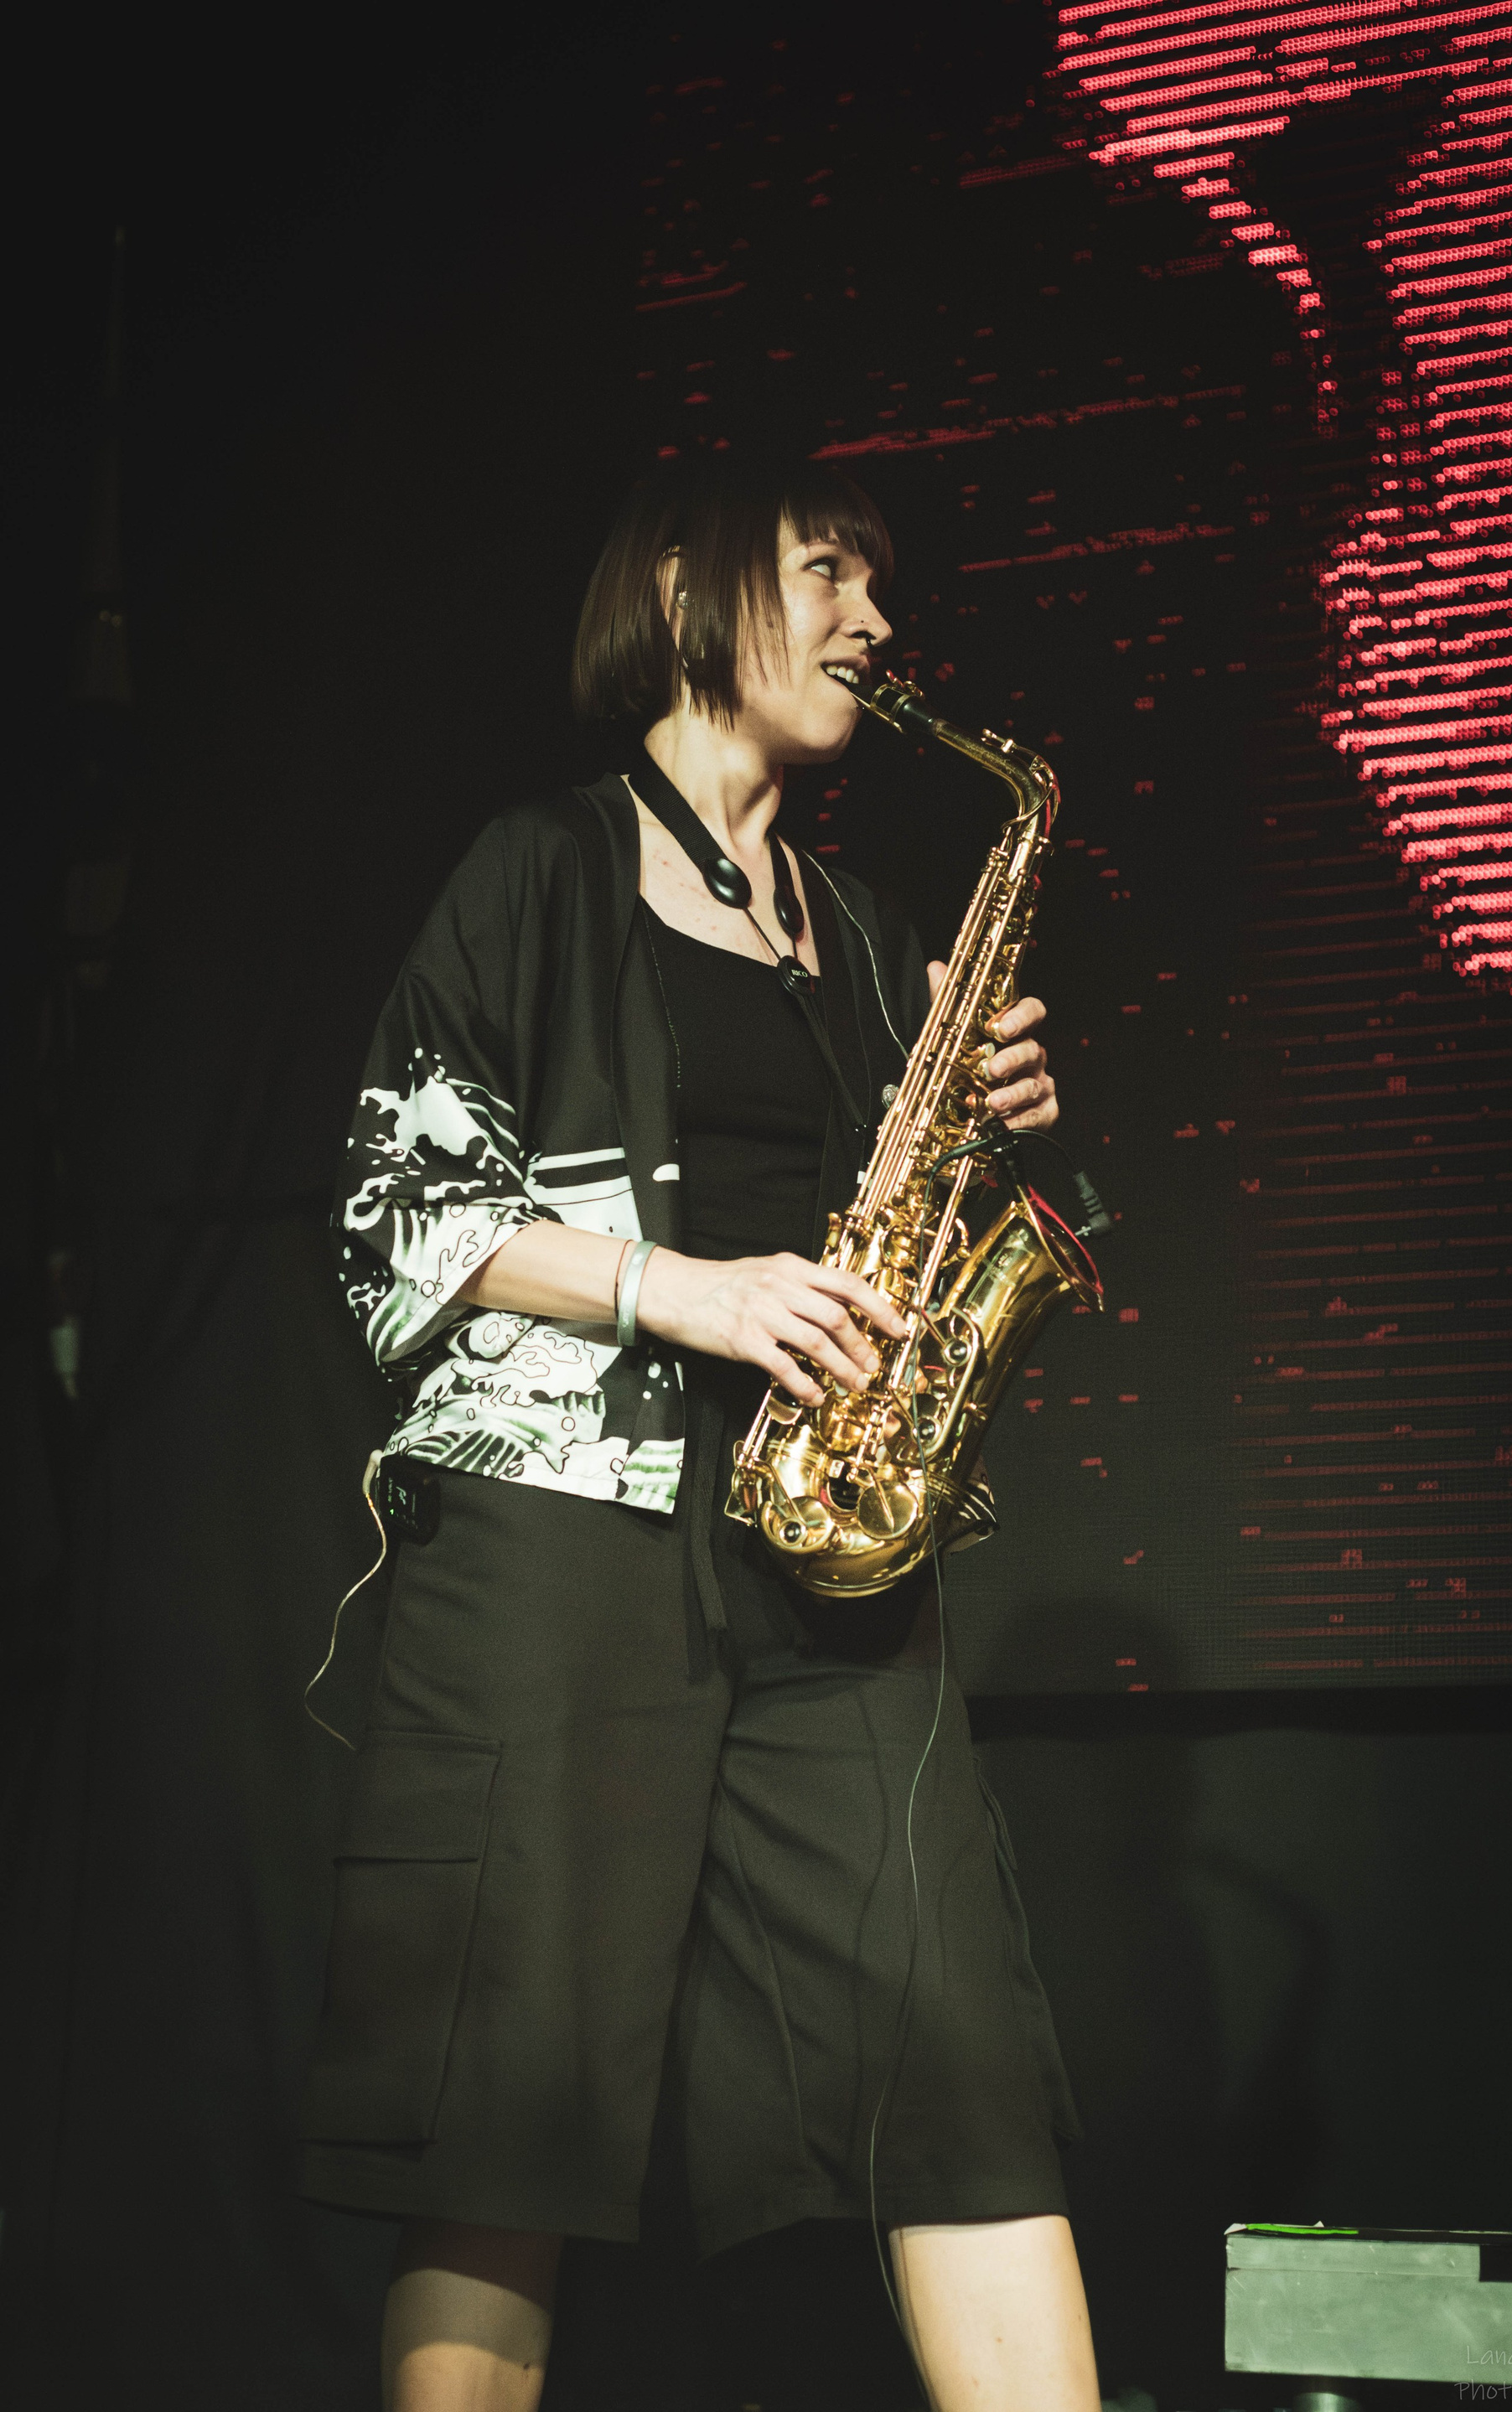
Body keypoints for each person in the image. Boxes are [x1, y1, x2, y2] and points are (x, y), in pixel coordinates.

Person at [298, 453, 1101, 2411]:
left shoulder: (865, 926)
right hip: (562, 1566)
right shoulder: (539, 870)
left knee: (963, 2083)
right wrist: (687, 1288)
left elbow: (893, 1242)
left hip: (823, 1565)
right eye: (825, 570)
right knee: (514, 2121)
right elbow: (392, 1215)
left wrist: (990, 1128)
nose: (874, 621)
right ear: (681, 592)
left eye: (881, 585)